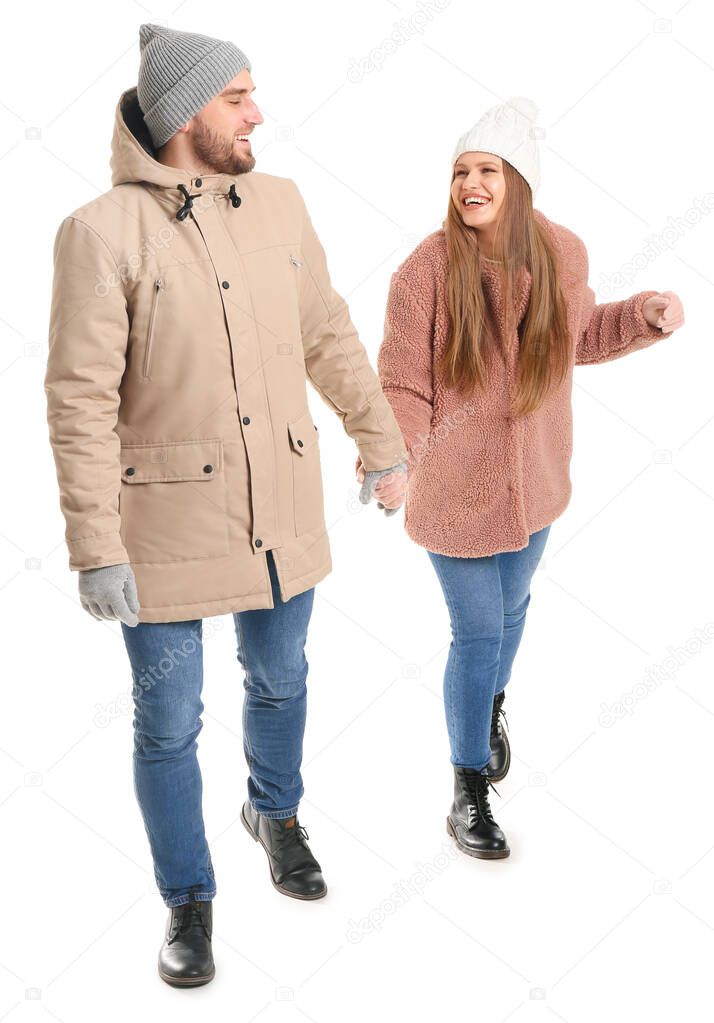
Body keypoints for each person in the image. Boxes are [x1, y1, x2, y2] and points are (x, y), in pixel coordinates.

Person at [43, 23, 407, 987]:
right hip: (159, 530)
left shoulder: (279, 205)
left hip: (280, 506)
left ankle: (274, 810)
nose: (258, 113)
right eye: (238, 96)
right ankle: (189, 898)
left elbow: (327, 333)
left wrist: (383, 443)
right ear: (184, 114)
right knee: (168, 723)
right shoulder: (98, 232)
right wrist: (93, 545)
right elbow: (77, 399)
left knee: (281, 679)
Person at [359, 95, 684, 861]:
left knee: (513, 610)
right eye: (462, 171)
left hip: (536, 486)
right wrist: (395, 454)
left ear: (519, 180)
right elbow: (401, 378)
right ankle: (467, 785)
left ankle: (488, 706)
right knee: (476, 633)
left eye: (487, 170)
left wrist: (644, 314)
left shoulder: (560, 252)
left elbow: (580, 335)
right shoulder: (426, 268)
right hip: (453, 493)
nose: (471, 183)